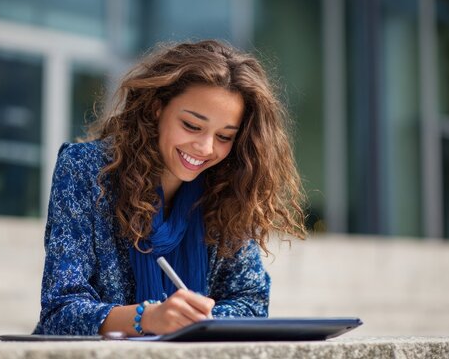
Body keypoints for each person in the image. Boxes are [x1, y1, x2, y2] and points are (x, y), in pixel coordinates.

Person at [33, 39, 307, 337]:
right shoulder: (85, 169)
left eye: (225, 136)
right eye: (191, 125)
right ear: (156, 108)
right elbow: (60, 310)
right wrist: (147, 318)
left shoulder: (229, 189)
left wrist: (191, 317)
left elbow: (251, 302)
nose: (205, 147)